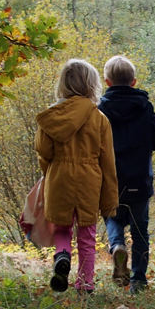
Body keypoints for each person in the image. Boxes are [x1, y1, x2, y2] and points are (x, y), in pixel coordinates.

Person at [35, 59, 118, 295]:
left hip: (59, 177)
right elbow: (108, 162)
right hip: (89, 181)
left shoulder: (51, 118)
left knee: (62, 228)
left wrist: (49, 174)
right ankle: (85, 284)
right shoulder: (100, 119)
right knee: (87, 235)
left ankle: (62, 255)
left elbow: (44, 152)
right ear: (92, 86)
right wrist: (109, 199)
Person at [98, 55, 155, 293]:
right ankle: (138, 281)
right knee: (140, 231)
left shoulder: (100, 109)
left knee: (113, 218)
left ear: (107, 82)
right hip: (139, 178)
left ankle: (117, 246)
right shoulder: (145, 106)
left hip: (110, 179)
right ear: (134, 82)